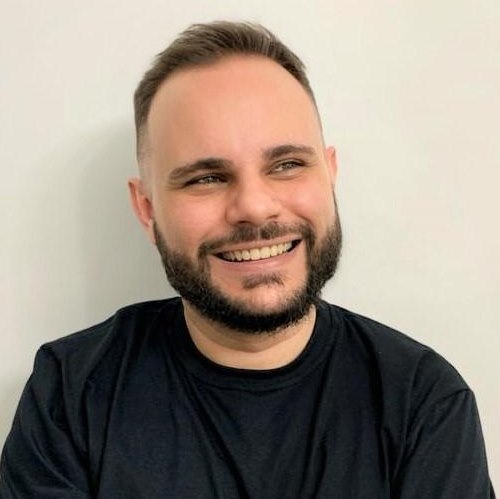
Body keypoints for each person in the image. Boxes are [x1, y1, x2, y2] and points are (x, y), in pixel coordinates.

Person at [0, 21, 495, 498]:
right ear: (146, 209)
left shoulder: (422, 401)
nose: (255, 207)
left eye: (287, 164)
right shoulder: (71, 393)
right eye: (206, 178)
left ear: (329, 175)